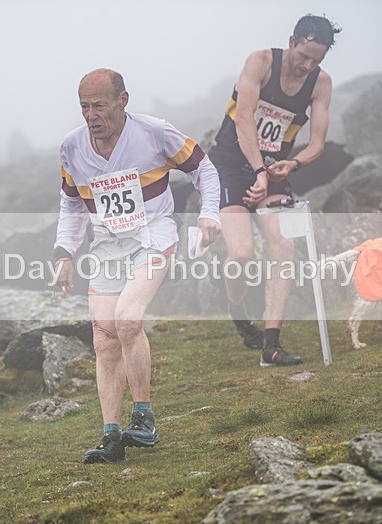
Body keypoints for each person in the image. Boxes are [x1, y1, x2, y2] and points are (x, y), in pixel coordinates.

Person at [53, 68, 221, 463]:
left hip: (153, 235)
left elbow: (204, 169)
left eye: (99, 106)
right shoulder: (71, 147)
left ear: (122, 101)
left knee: (128, 320)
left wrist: (208, 213)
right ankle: (111, 438)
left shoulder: (155, 132)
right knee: (104, 339)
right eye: (83, 107)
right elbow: (72, 203)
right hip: (107, 246)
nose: (91, 115)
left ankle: (144, 419)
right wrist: (64, 251)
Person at [208, 14, 340, 366]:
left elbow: (317, 144)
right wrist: (257, 171)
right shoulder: (261, 61)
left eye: (316, 61)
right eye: (304, 56)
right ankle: (237, 309)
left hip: (274, 171)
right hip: (230, 166)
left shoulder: (320, 83)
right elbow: (244, 118)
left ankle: (271, 345)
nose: (307, 66)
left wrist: (293, 164)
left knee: (283, 246)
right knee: (241, 255)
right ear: (292, 41)